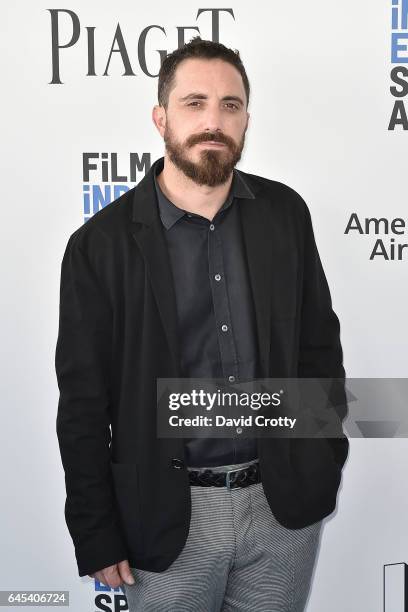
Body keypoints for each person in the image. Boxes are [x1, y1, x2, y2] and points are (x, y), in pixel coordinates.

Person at [55, 37, 349, 611]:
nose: (214, 121)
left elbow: (319, 349)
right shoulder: (99, 247)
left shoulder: (286, 215)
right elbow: (83, 404)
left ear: (246, 120)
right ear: (161, 116)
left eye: (230, 106)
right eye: (195, 104)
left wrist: (321, 460)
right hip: (165, 519)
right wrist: (95, 530)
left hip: (281, 508)